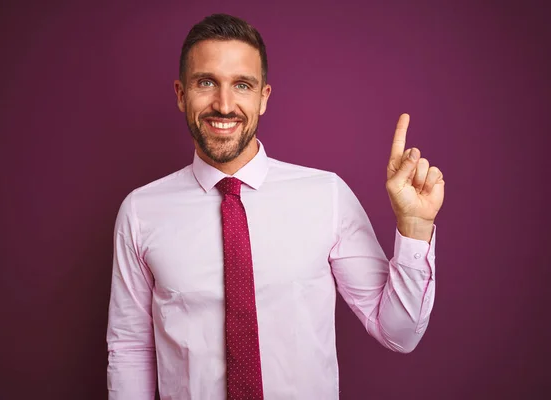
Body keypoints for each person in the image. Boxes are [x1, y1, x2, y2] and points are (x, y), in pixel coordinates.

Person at [106, 13, 445, 400]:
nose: (224, 103)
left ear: (263, 97)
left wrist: (415, 227)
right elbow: (130, 349)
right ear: (182, 94)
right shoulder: (140, 212)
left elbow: (398, 333)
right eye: (206, 83)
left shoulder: (326, 195)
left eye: (243, 85)